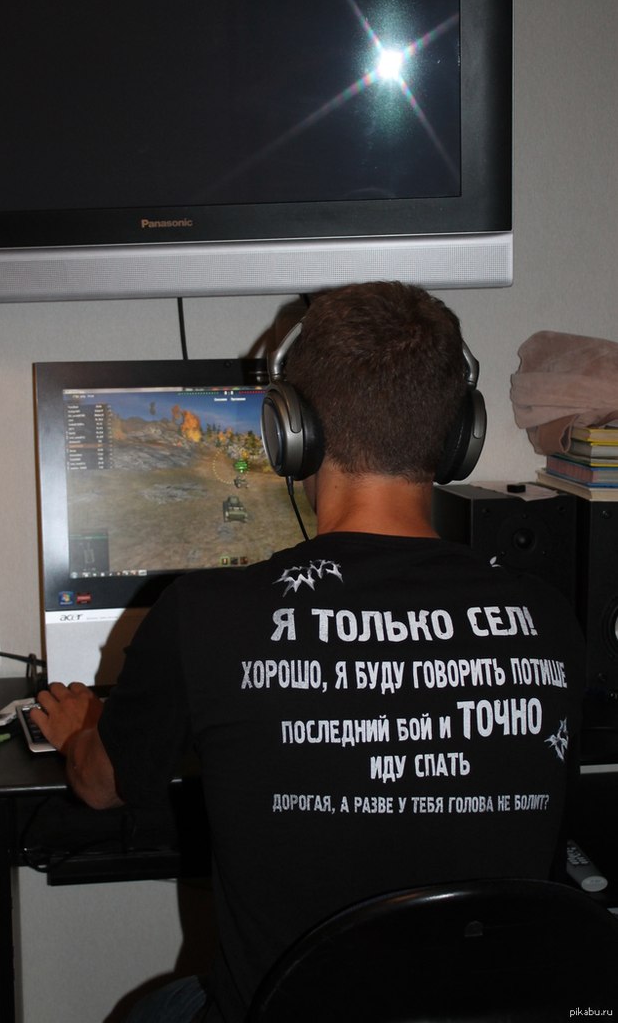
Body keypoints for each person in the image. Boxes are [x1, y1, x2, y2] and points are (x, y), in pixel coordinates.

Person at [32, 281, 585, 1023]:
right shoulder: (547, 619)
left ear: (290, 431)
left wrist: (79, 733)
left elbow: (102, 789)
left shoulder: (205, 616)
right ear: (460, 434)